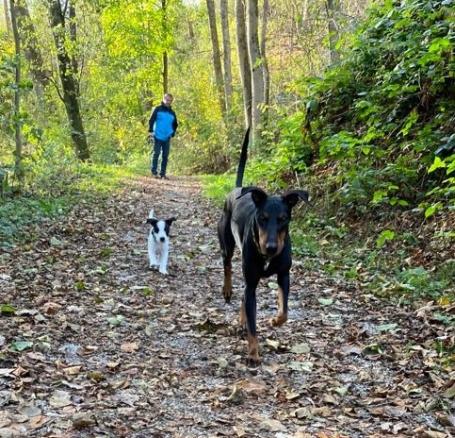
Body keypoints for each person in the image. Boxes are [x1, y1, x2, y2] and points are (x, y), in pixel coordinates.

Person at [148, 93, 178, 179]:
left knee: (165, 155)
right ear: (163, 99)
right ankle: (154, 172)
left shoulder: (172, 113)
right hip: (157, 135)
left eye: (170, 101)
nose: (168, 102)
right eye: (167, 100)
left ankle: (163, 173)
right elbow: (151, 120)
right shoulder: (157, 109)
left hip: (167, 137)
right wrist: (150, 131)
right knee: (156, 153)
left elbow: (175, 124)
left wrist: (172, 133)